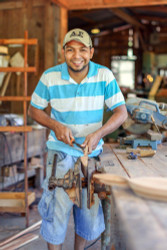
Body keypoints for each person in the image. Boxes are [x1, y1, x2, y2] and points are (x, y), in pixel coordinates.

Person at [28, 28, 128, 250]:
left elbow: (121, 112)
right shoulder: (50, 77)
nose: (76, 55)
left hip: (89, 154)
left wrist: (99, 133)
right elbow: (34, 110)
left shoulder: (104, 75)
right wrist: (55, 125)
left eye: (82, 50)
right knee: (56, 210)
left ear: (91, 52)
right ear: (63, 52)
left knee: (88, 209)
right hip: (60, 152)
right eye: (70, 50)